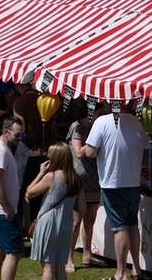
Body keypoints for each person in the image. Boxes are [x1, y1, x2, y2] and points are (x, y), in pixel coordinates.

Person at [82, 101, 147, 280]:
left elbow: (89, 152)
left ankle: (120, 274)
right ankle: (136, 270)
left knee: (120, 228)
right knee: (132, 225)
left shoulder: (102, 122)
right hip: (133, 182)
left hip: (113, 183)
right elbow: (146, 149)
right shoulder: (139, 122)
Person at [26, 142, 85, 280]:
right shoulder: (78, 180)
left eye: (50, 156)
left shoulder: (51, 177)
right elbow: (82, 208)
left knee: (48, 268)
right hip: (65, 225)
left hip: (48, 224)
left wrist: (41, 173)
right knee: (60, 267)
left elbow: (29, 192)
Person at [0, 116, 26, 280]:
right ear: (6, 132)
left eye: (23, 135)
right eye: (17, 135)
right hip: (0, 211)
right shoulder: (0, 150)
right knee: (15, 252)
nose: (20, 139)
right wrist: (8, 208)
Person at [66, 99, 103, 272]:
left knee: (91, 219)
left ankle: (87, 255)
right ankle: (69, 258)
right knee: (76, 221)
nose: (101, 117)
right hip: (79, 180)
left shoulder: (97, 128)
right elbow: (79, 153)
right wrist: (94, 142)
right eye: (99, 114)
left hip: (94, 178)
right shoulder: (77, 127)